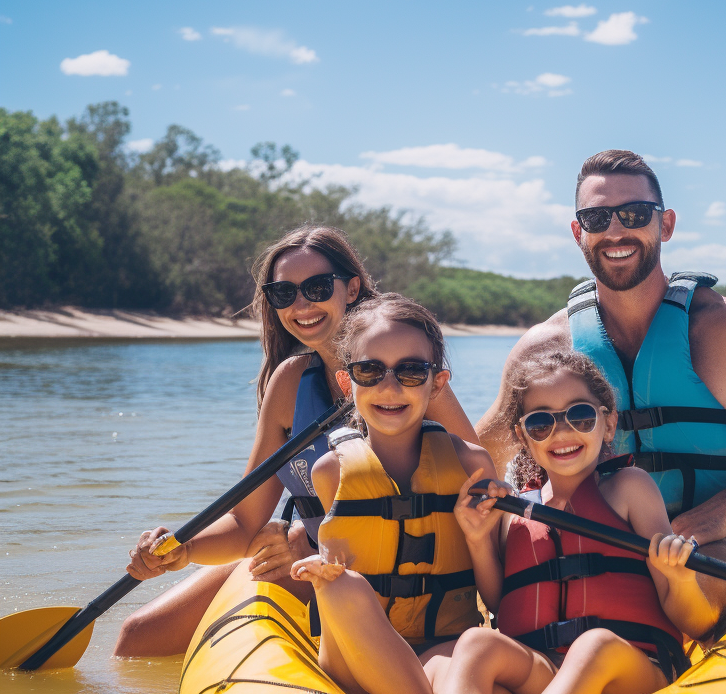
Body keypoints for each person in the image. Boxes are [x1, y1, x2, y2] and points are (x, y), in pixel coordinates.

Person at [477, 149, 726, 630]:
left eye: (634, 214)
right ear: (577, 233)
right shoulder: (545, 348)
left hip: (706, 543)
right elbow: (476, 453)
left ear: (665, 224)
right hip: (589, 537)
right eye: (596, 217)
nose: (615, 231)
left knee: (702, 579)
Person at [114, 226, 477, 657]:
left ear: (352, 287)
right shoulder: (289, 383)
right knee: (137, 637)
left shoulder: (407, 377)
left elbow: (475, 489)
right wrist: (182, 549)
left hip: (393, 570)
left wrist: (313, 547)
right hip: (300, 558)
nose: (301, 305)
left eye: (317, 287)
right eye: (284, 293)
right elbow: (246, 523)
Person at [425, 348, 709, 694]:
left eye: (579, 416)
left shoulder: (628, 488)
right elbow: (504, 602)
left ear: (607, 425)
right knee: (477, 642)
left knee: (593, 645)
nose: (561, 433)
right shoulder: (516, 510)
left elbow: (692, 620)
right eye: (540, 422)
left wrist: (680, 578)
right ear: (524, 436)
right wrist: (477, 540)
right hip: (546, 672)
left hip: (630, 670)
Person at [289, 294, 503, 694]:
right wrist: (323, 575)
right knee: (342, 587)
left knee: (463, 656)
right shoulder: (330, 471)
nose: (389, 388)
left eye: (410, 371)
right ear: (348, 384)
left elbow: (499, 600)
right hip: (353, 656)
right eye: (370, 371)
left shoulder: (471, 465)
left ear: (437, 384)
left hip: (441, 643)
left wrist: (479, 539)